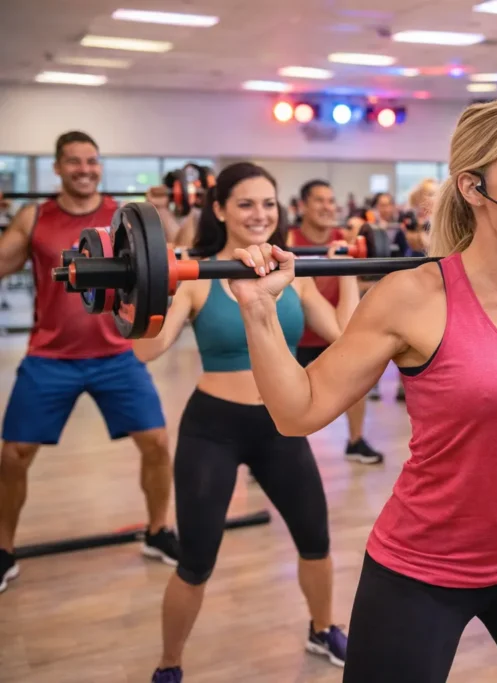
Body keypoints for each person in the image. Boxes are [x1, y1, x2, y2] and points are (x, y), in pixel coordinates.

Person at [228, 98, 497, 682]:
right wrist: (261, 314)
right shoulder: (412, 296)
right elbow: (300, 412)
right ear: (473, 187)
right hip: (420, 570)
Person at [138, 163, 353, 683]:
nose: (261, 215)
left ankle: (322, 628)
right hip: (213, 425)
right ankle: (170, 663)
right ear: (219, 210)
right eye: (246, 204)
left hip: (282, 426)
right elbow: (147, 348)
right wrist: (130, 293)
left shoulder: (292, 275)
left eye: (269, 204)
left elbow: (345, 336)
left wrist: (345, 274)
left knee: (315, 541)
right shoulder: (198, 275)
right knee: (196, 561)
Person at [0, 131, 178, 595]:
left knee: (157, 442)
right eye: (74, 162)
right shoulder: (35, 217)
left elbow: (171, 260)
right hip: (50, 357)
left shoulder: (125, 219)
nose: (85, 169)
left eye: (92, 161)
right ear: (58, 168)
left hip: (116, 355)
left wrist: (171, 213)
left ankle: (159, 530)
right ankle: (3, 549)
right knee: (13, 455)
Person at [287, 179, 383, 464]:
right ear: (302, 206)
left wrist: (347, 267)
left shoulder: (345, 240)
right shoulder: (289, 241)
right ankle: (274, 452)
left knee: (355, 380)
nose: (327, 207)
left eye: (331, 201)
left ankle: (355, 441)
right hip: (297, 336)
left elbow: (360, 287)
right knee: (283, 395)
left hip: (334, 333)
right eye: (319, 200)